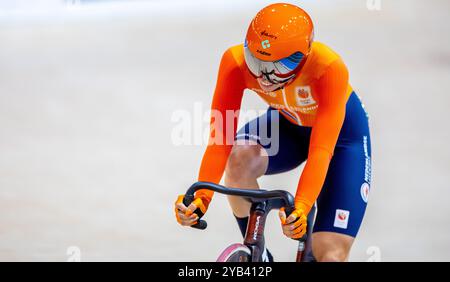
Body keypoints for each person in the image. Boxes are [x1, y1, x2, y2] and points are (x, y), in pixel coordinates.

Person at [175, 3, 372, 262]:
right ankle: (261, 258)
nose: (264, 77)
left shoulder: (329, 68)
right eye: (255, 62)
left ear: (304, 56)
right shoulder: (235, 63)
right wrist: (201, 199)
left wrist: (301, 207)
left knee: (330, 254)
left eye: (278, 67)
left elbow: (322, 151)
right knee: (238, 160)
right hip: (287, 126)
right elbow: (220, 139)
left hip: (342, 141)